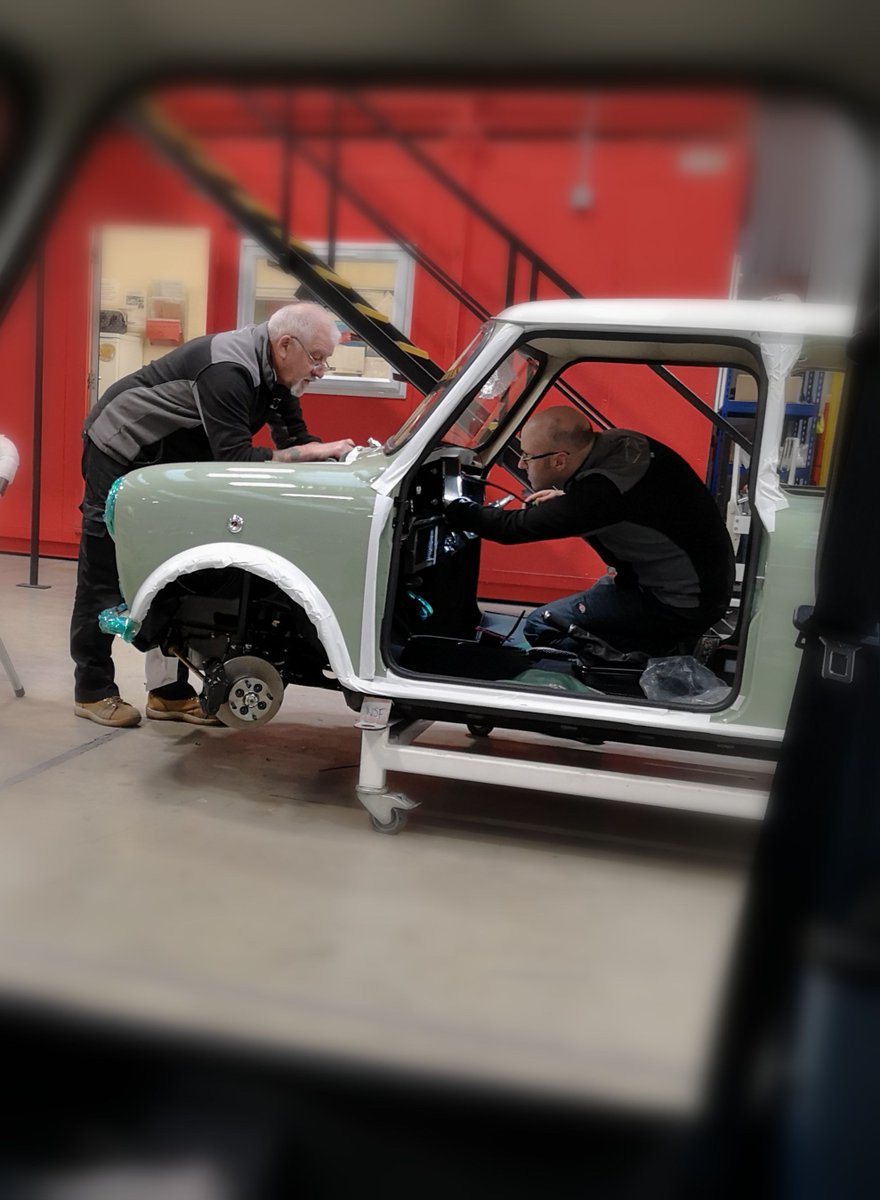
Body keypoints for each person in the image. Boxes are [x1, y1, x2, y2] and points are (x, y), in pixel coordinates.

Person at [72, 302, 356, 728]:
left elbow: (296, 440)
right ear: (285, 345)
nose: (320, 370)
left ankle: (168, 695)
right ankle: (92, 690)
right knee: (103, 565)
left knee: (172, 568)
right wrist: (311, 453)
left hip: (171, 459)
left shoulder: (277, 374)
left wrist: (332, 462)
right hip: (122, 448)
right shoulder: (228, 371)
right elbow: (235, 458)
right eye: (317, 358)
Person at [446, 406, 735, 658]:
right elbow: (638, 505)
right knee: (595, 600)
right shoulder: (621, 442)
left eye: (527, 456)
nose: (521, 464)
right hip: (699, 587)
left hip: (677, 604)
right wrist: (567, 501)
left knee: (542, 625)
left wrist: (454, 506)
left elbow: (509, 528)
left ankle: (657, 656)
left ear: (560, 460)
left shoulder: (599, 495)